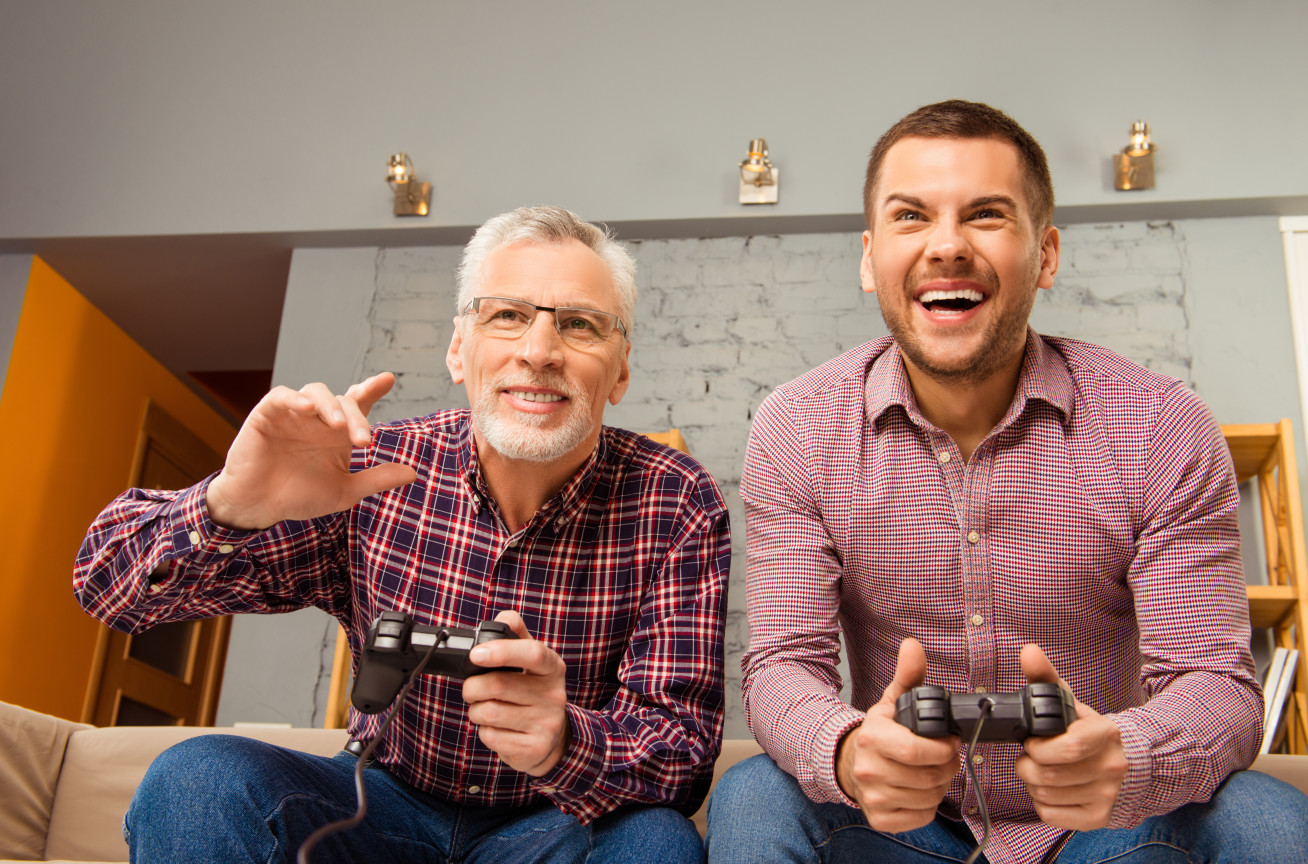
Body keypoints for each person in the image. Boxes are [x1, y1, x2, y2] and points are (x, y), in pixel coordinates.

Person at [706, 101, 1308, 863]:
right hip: (901, 827)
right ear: (868, 258)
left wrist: (1131, 754)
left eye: (986, 215)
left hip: (1101, 827)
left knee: (1266, 818)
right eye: (912, 217)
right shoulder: (797, 426)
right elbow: (783, 665)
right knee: (754, 796)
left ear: (1046, 253)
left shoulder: (1162, 424)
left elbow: (1215, 680)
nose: (947, 246)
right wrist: (849, 748)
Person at [74, 206, 730, 864]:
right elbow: (107, 591)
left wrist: (563, 740)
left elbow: (683, 754)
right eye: (507, 315)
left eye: (579, 325)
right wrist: (229, 503)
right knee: (195, 781)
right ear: (457, 348)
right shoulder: (367, 470)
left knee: (656, 840)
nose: (538, 351)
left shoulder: (677, 501)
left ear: (618, 372)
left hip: (556, 823)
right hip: (380, 802)